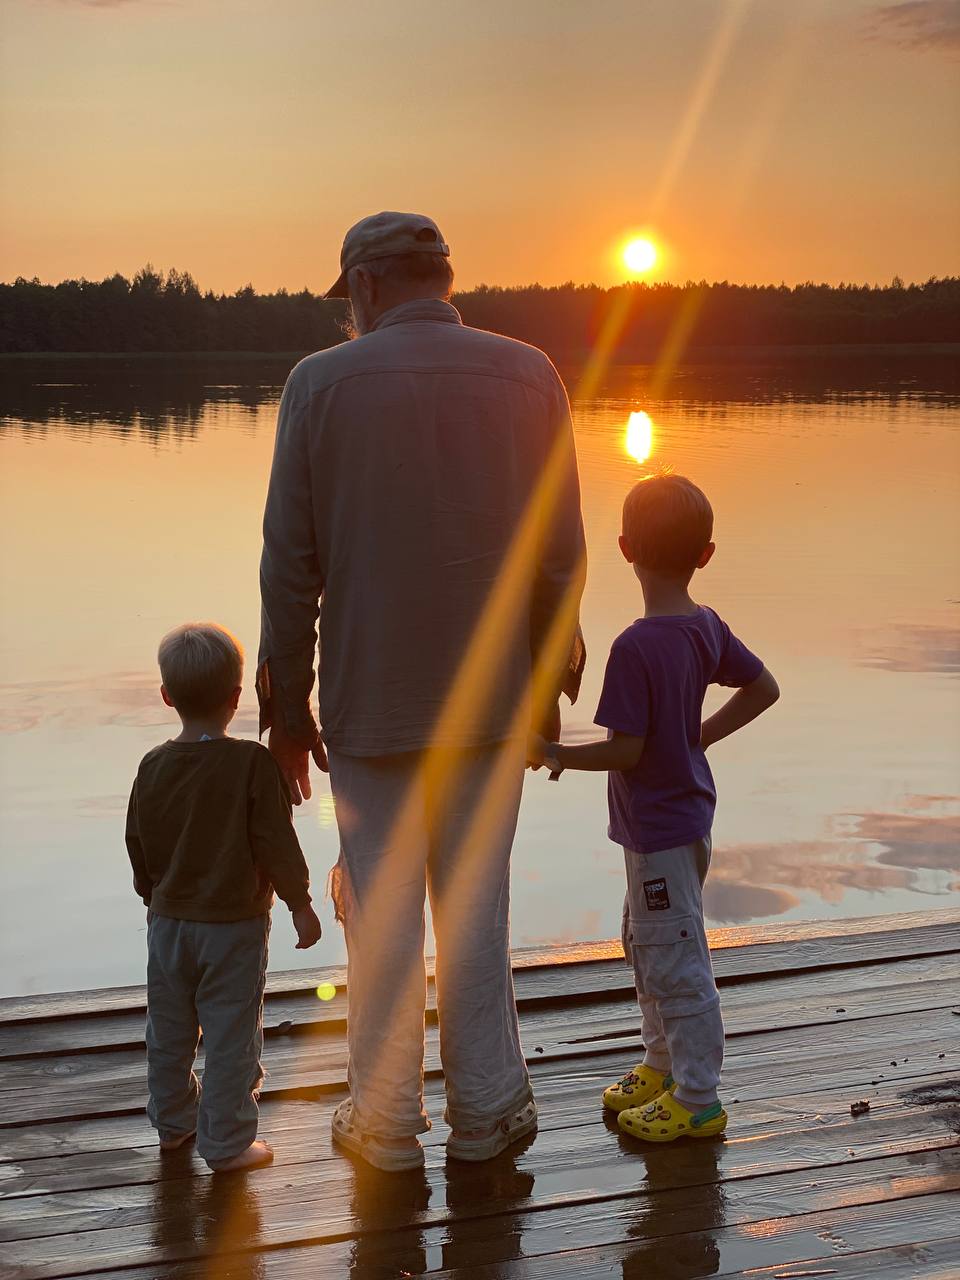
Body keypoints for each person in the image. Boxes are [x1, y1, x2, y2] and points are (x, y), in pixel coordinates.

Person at [258, 211, 586, 1171]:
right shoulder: (531, 374)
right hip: (491, 703)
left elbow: (290, 567)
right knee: (476, 911)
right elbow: (559, 557)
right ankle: (485, 1114)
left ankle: (386, 1121)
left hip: (370, 701)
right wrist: (545, 690)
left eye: (346, 299)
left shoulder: (317, 385)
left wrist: (288, 712)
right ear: (441, 278)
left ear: (363, 285)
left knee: (383, 913)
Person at [530, 474, 779, 1142]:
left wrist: (556, 753)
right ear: (705, 555)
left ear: (624, 548)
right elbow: (764, 688)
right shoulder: (705, 628)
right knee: (646, 943)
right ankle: (663, 1062)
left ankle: (698, 1097)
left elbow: (627, 751)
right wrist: (701, 737)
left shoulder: (635, 646)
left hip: (662, 831)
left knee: (676, 959)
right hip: (679, 823)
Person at [125, 622, 322, 1172]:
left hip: (168, 924)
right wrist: (300, 903)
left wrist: (152, 892)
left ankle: (174, 1123)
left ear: (167, 696)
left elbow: (138, 837)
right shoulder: (251, 764)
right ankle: (228, 1142)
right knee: (232, 1035)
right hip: (233, 927)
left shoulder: (152, 765)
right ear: (237, 698)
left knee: (169, 1030)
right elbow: (275, 840)